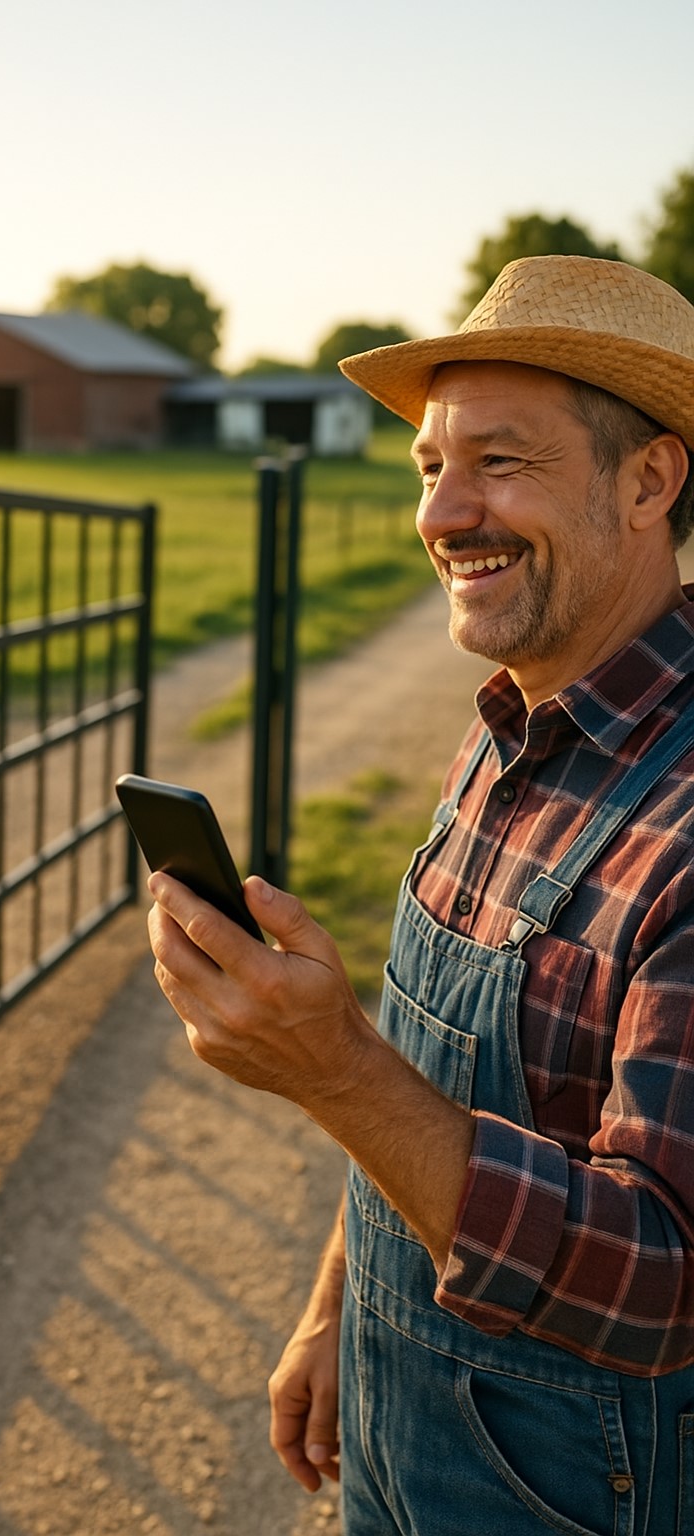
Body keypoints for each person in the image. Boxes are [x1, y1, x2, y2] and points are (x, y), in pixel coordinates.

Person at [146, 254, 694, 1534]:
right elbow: (440, 1080)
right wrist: (343, 1302)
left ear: (649, 481)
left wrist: (328, 1065)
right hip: (397, 1423)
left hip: (568, 1494)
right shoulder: (508, 721)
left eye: (499, 463)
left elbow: (666, 1283)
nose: (443, 515)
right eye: (430, 468)